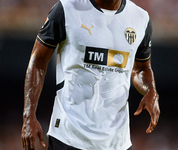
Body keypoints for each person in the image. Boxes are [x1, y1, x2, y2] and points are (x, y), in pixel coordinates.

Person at [21, 0, 160, 149]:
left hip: (117, 142)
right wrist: (28, 116)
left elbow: (141, 69)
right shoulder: (66, 9)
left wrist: (151, 90)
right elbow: (38, 61)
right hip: (68, 136)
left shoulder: (140, 18)